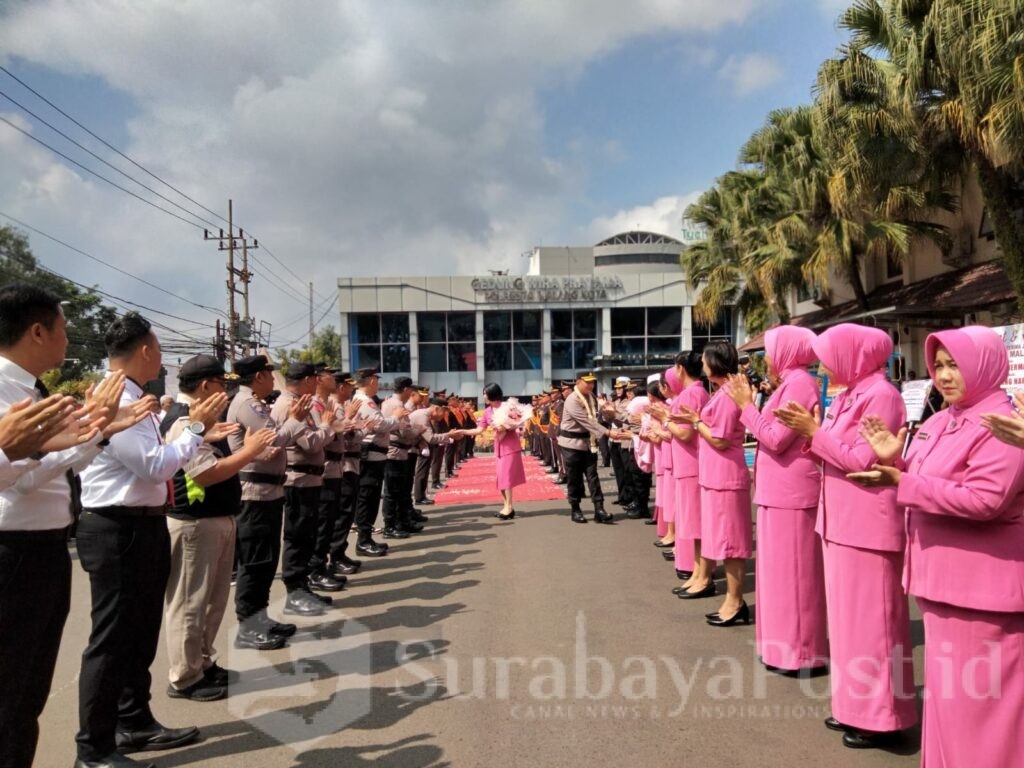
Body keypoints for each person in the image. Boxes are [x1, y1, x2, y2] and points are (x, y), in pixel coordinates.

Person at [853, 327, 1024, 766]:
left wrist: (902, 480)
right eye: (940, 366)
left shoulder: (1002, 422)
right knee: (951, 708)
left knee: (983, 716)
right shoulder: (940, 419)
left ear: (985, 364)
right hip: (942, 582)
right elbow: (931, 478)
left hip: (982, 592)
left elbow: (985, 499)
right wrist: (898, 459)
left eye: (955, 365)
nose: (945, 376)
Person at [0, 284, 148, 768]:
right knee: (9, 697)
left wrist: (97, 429)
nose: (70, 339)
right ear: (37, 331)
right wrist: (17, 449)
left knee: (26, 698)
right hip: (13, 551)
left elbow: (45, 469)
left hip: (43, 549)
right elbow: (15, 482)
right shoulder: (5, 391)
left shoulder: (30, 390)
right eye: (64, 330)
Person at [76, 312, 227, 767]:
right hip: (115, 526)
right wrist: (197, 428)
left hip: (142, 523)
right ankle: (95, 747)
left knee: (138, 634)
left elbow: (157, 461)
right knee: (112, 640)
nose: (162, 359)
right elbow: (155, 466)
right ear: (145, 351)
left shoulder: (134, 397)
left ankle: (134, 721)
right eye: (159, 348)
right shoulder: (113, 398)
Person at [774, 323, 917, 749]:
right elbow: (833, 448)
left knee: (875, 624)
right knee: (851, 624)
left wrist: (813, 433)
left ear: (853, 354)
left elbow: (859, 460)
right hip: (842, 519)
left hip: (867, 524)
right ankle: (856, 706)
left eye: (831, 355)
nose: (823, 364)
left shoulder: (881, 395)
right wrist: (814, 434)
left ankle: (883, 715)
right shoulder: (851, 393)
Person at [160, 355, 276, 702]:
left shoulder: (198, 421)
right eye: (221, 385)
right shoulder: (184, 420)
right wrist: (250, 452)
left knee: (211, 601)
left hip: (214, 518)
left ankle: (203, 663)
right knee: (190, 604)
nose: (226, 392)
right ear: (205, 386)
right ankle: (185, 676)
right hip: (195, 522)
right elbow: (204, 473)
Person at [725, 327, 827, 673]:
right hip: (779, 492)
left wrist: (746, 407)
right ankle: (782, 647)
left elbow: (775, 438)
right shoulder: (790, 384)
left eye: (770, 351)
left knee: (795, 575)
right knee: (779, 575)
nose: (766, 359)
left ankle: (802, 651)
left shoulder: (799, 384)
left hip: (792, 493)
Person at [676, 341, 753, 625]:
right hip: (718, 475)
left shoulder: (730, 393)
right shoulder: (724, 391)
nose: (703, 365)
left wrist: (697, 422)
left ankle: (735, 600)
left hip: (726, 475)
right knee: (723, 538)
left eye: (706, 361)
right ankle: (731, 599)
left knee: (732, 542)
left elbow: (720, 439)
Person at [271, 362, 341, 614]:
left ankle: (302, 586)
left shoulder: (299, 402)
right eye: (316, 378)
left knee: (306, 536)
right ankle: (294, 592)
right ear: (310, 380)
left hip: (308, 479)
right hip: (298, 480)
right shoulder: (292, 405)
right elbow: (310, 443)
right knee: (297, 537)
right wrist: (327, 426)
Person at [660, 353, 709, 590]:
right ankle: (697, 572)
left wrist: (665, 420)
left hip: (691, 465)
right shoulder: (695, 392)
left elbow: (686, 433)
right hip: (687, 465)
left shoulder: (692, 394)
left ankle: (701, 574)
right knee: (692, 524)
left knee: (696, 524)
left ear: (680, 369)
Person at [557, 372, 631, 524]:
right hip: (571, 444)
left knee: (593, 476)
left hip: (588, 442)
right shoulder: (572, 399)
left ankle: (599, 509)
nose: (591, 385)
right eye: (587, 382)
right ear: (578, 382)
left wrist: (609, 412)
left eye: (593, 382)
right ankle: (575, 509)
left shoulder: (590, 397)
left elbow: (597, 417)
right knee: (574, 478)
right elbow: (586, 421)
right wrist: (608, 432)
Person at [452, 383, 525, 519]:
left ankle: (509, 507)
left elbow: (518, 422)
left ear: (492, 394)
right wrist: (463, 431)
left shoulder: (508, 407)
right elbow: (479, 430)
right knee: (501, 477)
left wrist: (507, 427)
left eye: (485, 393)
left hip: (510, 446)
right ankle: (506, 506)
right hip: (499, 446)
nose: (484, 396)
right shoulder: (487, 411)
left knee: (506, 477)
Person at [351, 368, 402, 556]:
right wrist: (395, 418)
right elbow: (379, 425)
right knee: (367, 498)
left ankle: (367, 538)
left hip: (376, 455)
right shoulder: (364, 402)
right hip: (370, 456)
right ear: (372, 381)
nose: (378, 384)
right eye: (377, 380)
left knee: (371, 498)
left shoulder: (367, 401)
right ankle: (363, 540)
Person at [379, 376, 422, 539]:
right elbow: (404, 432)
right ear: (405, 389)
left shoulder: (391, 403)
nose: (412, 392)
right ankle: (390, 526)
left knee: (398, 490)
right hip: (395, 452)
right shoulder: (396, 405)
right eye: (411, 389)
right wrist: (418, 431)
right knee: (393, 491)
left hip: (397, 451)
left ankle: (401, 522)